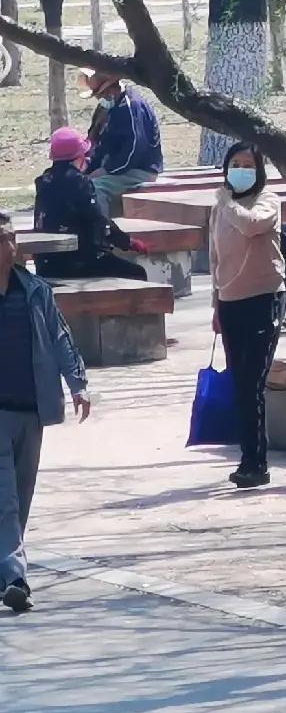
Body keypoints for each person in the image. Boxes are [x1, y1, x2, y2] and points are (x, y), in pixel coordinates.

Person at [0, 213, 92, 614]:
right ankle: (16, 578)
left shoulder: (36, 291)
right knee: (5, 500)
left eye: (8, 238)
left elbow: (59, 337)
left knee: (20, 496)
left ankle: (6, 572)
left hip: (31, 409)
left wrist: (78, 384)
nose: (5, 246)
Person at [211, 143, 285, 489]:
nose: (240, 170)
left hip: (263, 299)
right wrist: (216, 304)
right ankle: (247, 457)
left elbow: (252, 226)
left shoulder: (267, 201)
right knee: (239, 383)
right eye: (235, 164)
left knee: (252, 382)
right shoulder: (219, 208)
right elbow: (215, 258)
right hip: (230, 302)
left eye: (248, 165)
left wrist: (227, 203)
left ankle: (257, 463)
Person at [31, 128, 144, 281]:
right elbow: (98, 220)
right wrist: (127, 242)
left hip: (46, 264)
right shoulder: (79, 182)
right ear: (79, 156)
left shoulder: (43, 181)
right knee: (136, 274)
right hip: (78, 262)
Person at [79, 71, 164, 211]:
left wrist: (106, 170)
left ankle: (100, 225)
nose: (100, 98)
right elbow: (98, 144)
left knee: (94, 189)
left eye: (101, 94)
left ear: (112, 88)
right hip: (117, 170)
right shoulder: (106, 108)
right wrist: (87, 170)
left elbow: (134, 150)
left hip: (138, 171)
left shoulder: (132, 108)